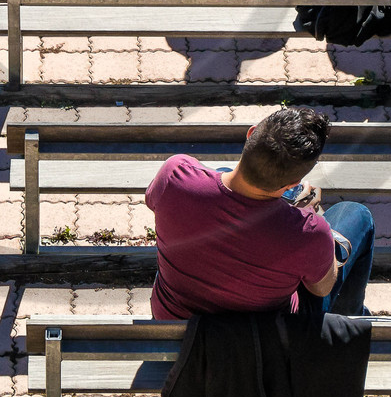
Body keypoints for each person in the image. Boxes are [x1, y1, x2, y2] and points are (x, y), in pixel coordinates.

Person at [145, 107, 376, 320]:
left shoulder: (175, 173)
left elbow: (152, 200)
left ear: (251, 133)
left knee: (222, 173)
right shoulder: (309, 232)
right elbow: (322, 287)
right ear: (294, 183)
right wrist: (307, 219)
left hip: (174, 323)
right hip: (259, 341)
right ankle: (349, 317)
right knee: (356, 213)